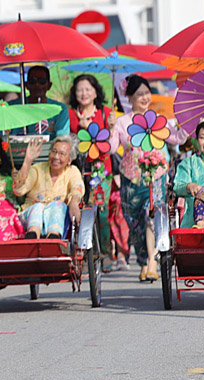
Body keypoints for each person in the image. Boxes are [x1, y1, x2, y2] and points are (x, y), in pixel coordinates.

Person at [110, 75, 188, 282]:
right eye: (139, 94)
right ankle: (144, 261)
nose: (144, 97)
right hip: (131, 179)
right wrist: (109, 128)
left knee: (151, 217)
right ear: (130, 97)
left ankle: (153, 262)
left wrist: (186, 123)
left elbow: (178, 139)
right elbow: (109, 148)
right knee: (134, 222)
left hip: (157, 177)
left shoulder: (157, 119)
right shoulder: (122, 121)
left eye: (146, 93)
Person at [69, 74, 119, 270]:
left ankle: (105, 252)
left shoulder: (106, 113)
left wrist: (112, 128)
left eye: (88, 89)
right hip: (77, 169)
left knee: (101, 210)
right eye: (80, 89)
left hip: (101, 170)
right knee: (78, 210)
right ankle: (80, 253)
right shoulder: (70, 114)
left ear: (96, 92)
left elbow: (110, 145)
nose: (84, 93)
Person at [13, 136, 84, 239]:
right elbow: (19, 190)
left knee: (57, 205)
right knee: (38, 207)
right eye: (54, 151)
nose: (56, 157)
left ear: (69, 160)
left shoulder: (72, 171)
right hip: (30, 218)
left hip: (58, 221)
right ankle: (32, 235)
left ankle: (53, 237)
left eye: (62, 154)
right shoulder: (37, 169)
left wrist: (74, 202)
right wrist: (27, 161)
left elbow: (77, 187)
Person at [21, 65, 70, 140]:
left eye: (42, 81)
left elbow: (62, 138)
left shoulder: (60, 109)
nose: (37, 85)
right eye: (33, 81)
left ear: (49, 85)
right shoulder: (12, 107)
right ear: (26, 85)